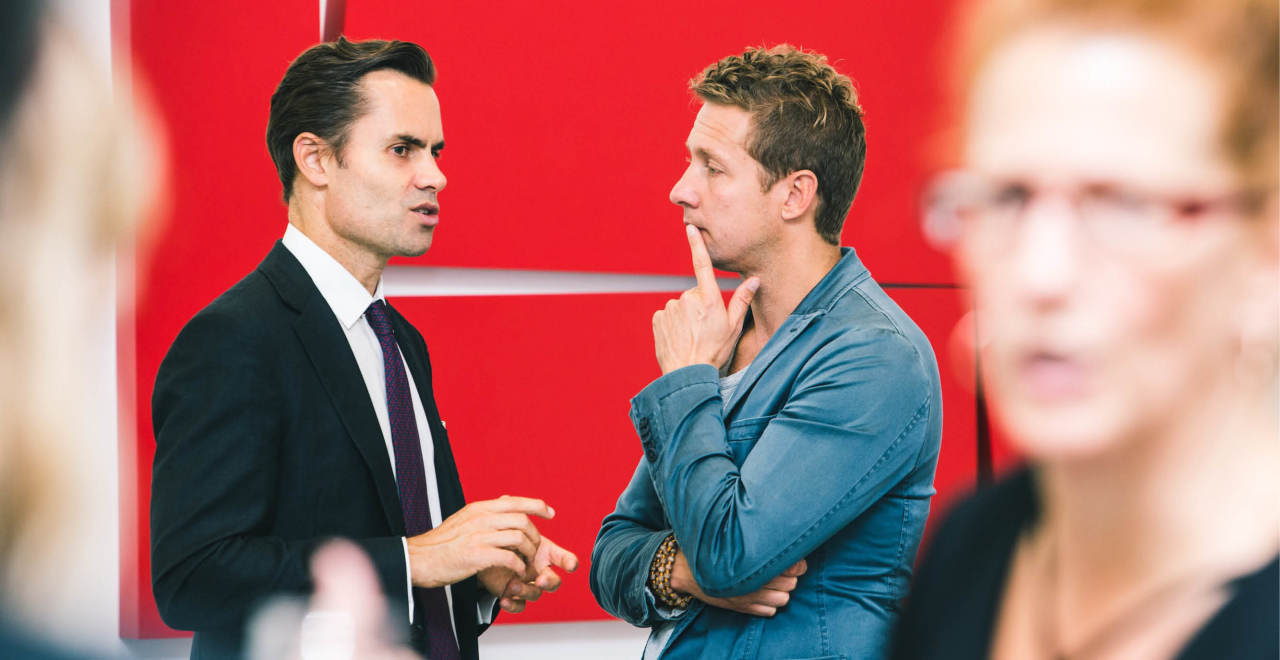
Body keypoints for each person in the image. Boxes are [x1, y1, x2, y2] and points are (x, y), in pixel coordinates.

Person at [150, 38, 576, 660]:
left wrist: (474, 575)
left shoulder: (400, 340)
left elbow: (411, 559)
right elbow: (192, 577)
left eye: (435, 151)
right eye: (402, 149)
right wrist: (414, 561)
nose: (435, 176)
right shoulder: (232, 339)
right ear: (316, 160)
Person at [894, 0, 1279, 658]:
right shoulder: (970, 550)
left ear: (1265, 251)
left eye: (1126, 204)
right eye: (1007, 197)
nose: (1041, 275)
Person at [590, 45, 944, 659]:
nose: (680, 190)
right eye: (689, 162)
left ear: (794, 195)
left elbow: (730, 558)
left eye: (712, 168)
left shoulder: (875, 356)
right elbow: (612, 551)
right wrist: (678, 569)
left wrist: (688, 379)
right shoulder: (728, 341)